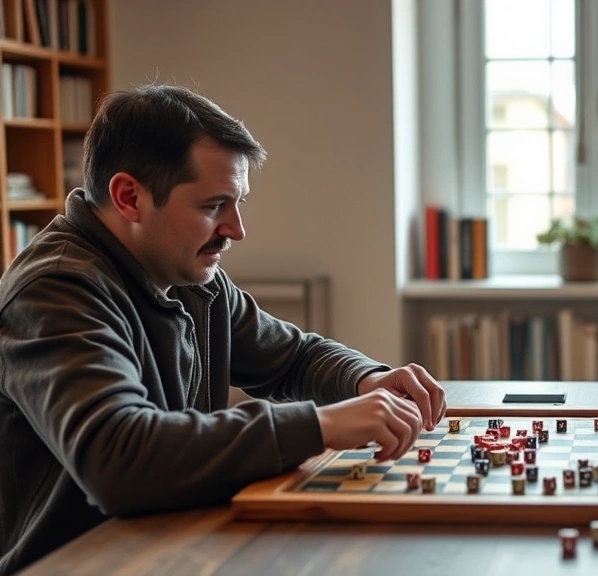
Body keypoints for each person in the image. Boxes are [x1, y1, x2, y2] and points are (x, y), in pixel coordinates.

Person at [0, 84, 446, 576]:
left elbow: (292, 356)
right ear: (129, 197)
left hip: (177, 545)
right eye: (214, 206)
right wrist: (322, 425)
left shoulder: (186, 273)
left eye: (238, 203)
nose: (236, 229)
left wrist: (367, 379)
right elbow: (118, 454)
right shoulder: (55, 289)